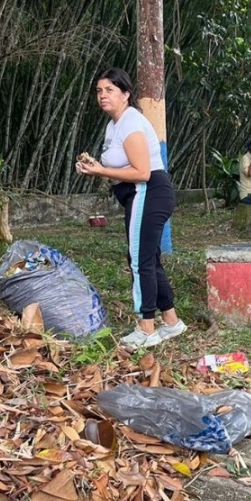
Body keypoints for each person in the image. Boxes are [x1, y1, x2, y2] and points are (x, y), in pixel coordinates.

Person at [76, 68, 185, 349]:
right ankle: (172, 322)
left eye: (110, 90)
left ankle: (146, 327)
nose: (103, 96)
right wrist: (95, 169)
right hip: (141, 194)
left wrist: (101, 169)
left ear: (125, 94)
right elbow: (119, 167)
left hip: (148, 192)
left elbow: (143, 172)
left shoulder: (131, 122)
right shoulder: (114, 124)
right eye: (99, 91)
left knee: (139, 260)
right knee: (148, 258)